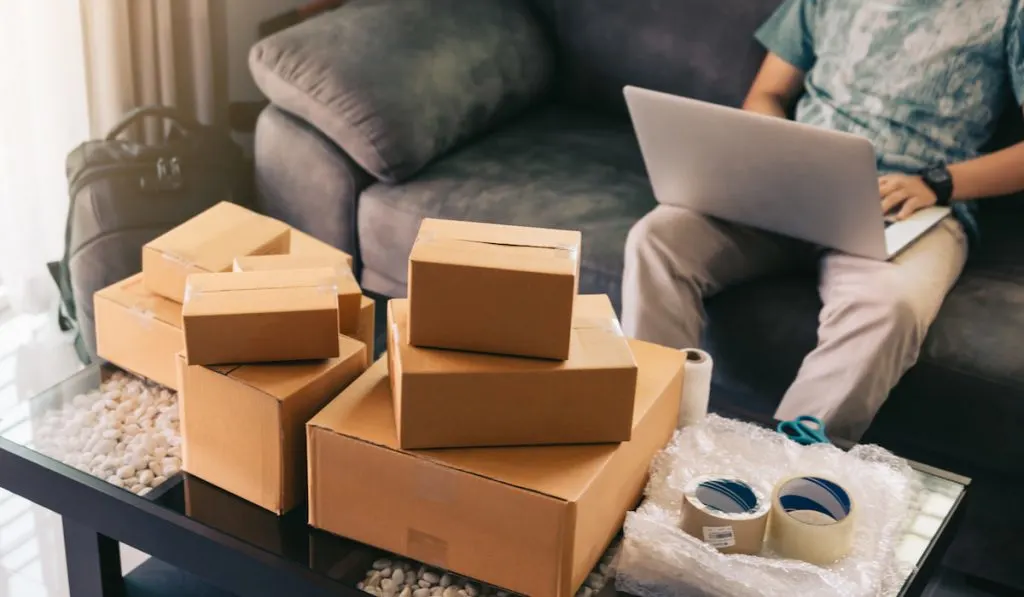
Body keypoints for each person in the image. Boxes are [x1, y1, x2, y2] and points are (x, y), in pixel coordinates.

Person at [621, 0, 1024, 440]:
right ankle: (653, 434)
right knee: (658, 239)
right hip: (794, 181)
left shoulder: (1009, 12)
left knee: (892, 307)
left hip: (912, 204)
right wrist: (779, 150)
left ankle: (781, 468)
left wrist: (937, 184)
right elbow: (768, 93)